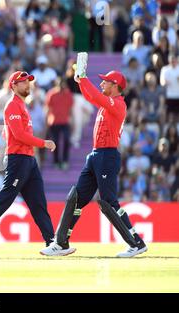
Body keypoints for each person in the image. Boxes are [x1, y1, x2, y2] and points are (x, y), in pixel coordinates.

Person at [41, 67, 148, 258]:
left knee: (109, 202)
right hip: (96, 155)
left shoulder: (119, 104)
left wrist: (82, 79)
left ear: (116, 86)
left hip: (107, 156)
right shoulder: (108, 103)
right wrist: (79, 81)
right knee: (76, 198)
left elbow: (96, 97)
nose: (101, 84)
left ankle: (136, 243)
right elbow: (92, 97)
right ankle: (61, 243)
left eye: (105, 81)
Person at [0, 71, 56, 256]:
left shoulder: (21, 105)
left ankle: (53, 242)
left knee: (38, 202)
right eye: (22, 82)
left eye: (28, 82)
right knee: (3, 201)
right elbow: (19, 135)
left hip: (28, 159)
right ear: (13, 86)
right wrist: (43, 143)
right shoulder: (12, 105)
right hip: (18, 159)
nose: (27, 85)